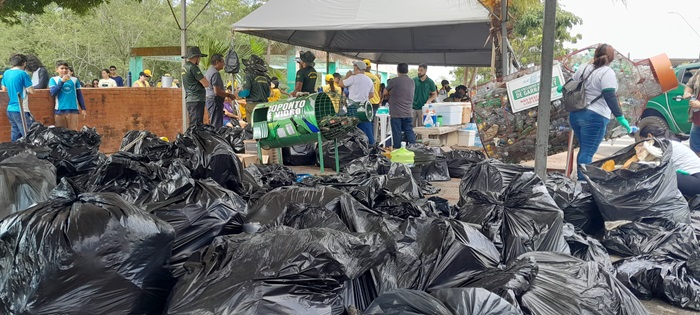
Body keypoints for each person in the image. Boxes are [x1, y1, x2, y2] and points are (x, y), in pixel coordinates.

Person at [569, 44, 632, 180]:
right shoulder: (606, 72)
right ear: (611, 58)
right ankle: (583, 185)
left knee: (584, 150)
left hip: (575, 114)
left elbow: (570, 83)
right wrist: (621, 118)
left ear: (595, 54)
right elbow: (609, 95)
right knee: (588, 152)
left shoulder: (584, 67)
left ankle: (580, 181)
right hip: (594, 117)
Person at [639, 124, 700, 196]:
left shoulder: (662, 146)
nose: (643, 145)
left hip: (696, 181)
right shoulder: (670, 142)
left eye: (643, 141)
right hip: (693, 179)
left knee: (658, 175)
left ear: (649, 136)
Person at [338, 60, 375, 144]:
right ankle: (371, 146)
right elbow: (372, 95)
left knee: (351, 128)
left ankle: (353, 146)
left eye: (354, 66)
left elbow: (340, 84)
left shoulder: (353, 78)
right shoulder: (369, 80)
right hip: (365, 107)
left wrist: (347, 76)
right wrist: (363, 98)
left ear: (356, 68)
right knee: (366, 128)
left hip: (353, 106)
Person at [2, 54, 35, 141]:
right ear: (24, 64)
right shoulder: (23, 73)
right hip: (21, 109)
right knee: (28, 134)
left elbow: (4, 88)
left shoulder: (6, 73)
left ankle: (14, 153)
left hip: (10, 109)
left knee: (15, 134)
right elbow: (31, 91)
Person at [384, 62, 416, 149]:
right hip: (408, 112)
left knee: (397, 132)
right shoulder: (412, 82)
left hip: (396, 113)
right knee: (409, 130)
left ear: (397, 70)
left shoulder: (394, 81)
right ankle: (414, 147)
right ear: (407, 70)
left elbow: (385, 92)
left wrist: (391, 94)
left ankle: (397, 150)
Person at [49, 60, 87, 130]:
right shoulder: (53, 79)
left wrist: (83, 108)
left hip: (73, 110)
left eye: (66, 68)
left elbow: (79, 95)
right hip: (60, 111)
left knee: (73, 133)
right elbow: (53, 93)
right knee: (60, 134)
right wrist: (62, 81)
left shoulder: (74, 80)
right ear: (57, 70)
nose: (64, 70)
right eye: (62, 68)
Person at [205, 54, 237, 128]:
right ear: (217, 62)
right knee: (216, 124)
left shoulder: (209, 71)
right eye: (222, 62)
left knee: (214, 121)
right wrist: (229, 95)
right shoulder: (215, 73)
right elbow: (217, 91)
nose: (224, 64)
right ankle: (215, 138)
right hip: (215, 101)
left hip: (209, 100)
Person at [182, 46, 210, 126]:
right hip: (196, 99)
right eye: (200, 57)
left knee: (193, 123)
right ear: (196, 57)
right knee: (197, 125)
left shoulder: (185, 67)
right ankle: (195, 138)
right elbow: (205, 83)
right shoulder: (193, 67)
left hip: (190, 99)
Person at [238, 54, 271, 122]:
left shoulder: (248, 76)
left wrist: (238, 94)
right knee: (263, 126)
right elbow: (268, 94)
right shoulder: (267, 78)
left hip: (253, 105)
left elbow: (246, 93)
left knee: (252, 127)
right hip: (264, 105)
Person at [683, 69, 700, 154]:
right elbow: (689, 85)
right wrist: (686, 92)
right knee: (695, 150)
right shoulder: (698, 73)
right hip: (697, 122)